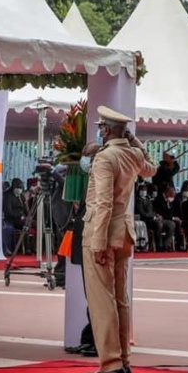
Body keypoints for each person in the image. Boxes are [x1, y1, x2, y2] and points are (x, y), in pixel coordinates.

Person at [82, 106, 156, 373]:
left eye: (101, 127)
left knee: (103, 302)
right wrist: (133, 140)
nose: (99, 131)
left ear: (105, 130)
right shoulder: (133, 154)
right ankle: (123, 359)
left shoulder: (105, 158)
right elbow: (152, 168)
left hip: (101, 232)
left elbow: (103, 202)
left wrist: (98, 241)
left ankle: (111, 363)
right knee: (121, 300)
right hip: (123, 231)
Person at [65, 142, 101, 357]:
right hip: (85, 244)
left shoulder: (102, 180)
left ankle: (97, 341)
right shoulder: (90, 180)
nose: (84, 160)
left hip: (94, 244)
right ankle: (89, 338)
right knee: (91, 296)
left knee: (97, 297)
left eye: (87, 155)